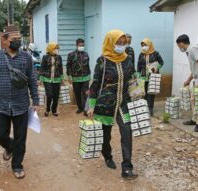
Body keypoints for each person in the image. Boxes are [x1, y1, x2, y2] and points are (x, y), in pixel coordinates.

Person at [0, 25, 39, 179]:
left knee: (21, 137)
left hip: (21, 105)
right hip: (1, 105)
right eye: (14, 39)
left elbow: (32, 80)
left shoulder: (26, 57)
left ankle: (17, 165)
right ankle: (10, 146)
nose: (18, 42)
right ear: (5, 40)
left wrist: (36, 100)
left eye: (19, 39)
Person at [87, 29, 138, 180]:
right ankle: (107, 156)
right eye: (118, 43)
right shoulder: (102, 61)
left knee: (127, 132)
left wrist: (138, 94)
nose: (121, 46)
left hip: (124, 103)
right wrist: (91, 105)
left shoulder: (127, 59)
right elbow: (95, 84)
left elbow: (133, 78)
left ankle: (127, 167)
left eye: (124, 43)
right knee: (105, 135)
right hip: (105, 104)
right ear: (111, 43)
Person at [137, 38, 164, 116]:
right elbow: (139, 65)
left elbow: (161, 62)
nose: (143, 47)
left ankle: (150, 109)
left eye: (145, 45)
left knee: (151, 93)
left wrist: (156, 67)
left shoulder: (155, 53)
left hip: (153, 76)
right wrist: (138, 75)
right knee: (144, 93)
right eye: (142, 45)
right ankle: (144, 108)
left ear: (149, 45)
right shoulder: (141, 54)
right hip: (143, 77)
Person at [66, 38, 91, 116]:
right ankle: (80, 108)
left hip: (85, 77)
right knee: (77, 93)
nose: (82, 46)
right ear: (76, 45)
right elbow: (68, 66)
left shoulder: (86, 54)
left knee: (85, 93)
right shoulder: (71, 54)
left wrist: (89, 75)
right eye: (80, 45)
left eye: (83, 45)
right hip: (76, 78)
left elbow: (87, 65)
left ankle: (85, 109)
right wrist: (69, 76)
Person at [39, 43, 63, 117]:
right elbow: (42, 67)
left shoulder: (59, 57)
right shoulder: (45, 57)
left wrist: (62, 78)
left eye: (57, 49)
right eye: (55, 48)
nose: (56, 50)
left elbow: (60, 68)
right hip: (47, 79)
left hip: (57, 79)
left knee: (56, 96)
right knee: (49, 94)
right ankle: (47, 109)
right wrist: (40, 78)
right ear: (50, 49)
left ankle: (54, 110)